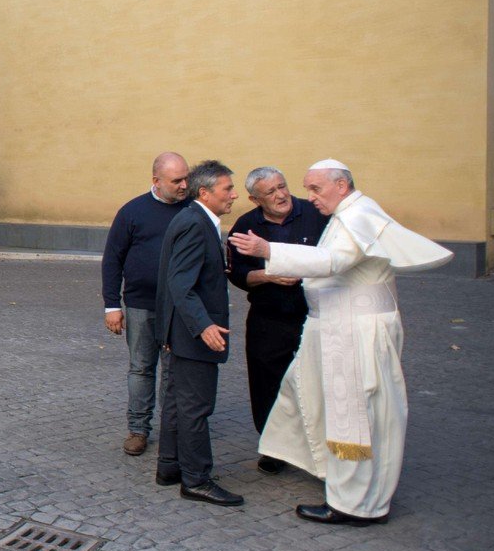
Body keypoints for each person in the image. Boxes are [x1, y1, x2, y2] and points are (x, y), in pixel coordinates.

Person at [231, 160, 451, 525]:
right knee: (306, 395)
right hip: (340, 328)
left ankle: (354, 504)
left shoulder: (357, 214)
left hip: (353, 333)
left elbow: (333, 261)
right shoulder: (347, 212)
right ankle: (342, 482)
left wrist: (270, 251)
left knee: (354, 416)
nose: (308, 197)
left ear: (342, 185)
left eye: (315, 189)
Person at [226, 167, 330, 472]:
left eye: (282, 186)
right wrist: (267, 275)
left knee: (315, 382)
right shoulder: (245, 226)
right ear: (255, 199)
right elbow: (237, 273)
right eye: (270, 192)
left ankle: (318, 448)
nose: (281, 195)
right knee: (266, 384)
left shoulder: (315, 214)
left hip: (313, 314)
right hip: (268, 317)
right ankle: (273, 447)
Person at [153, 160, 243, 506]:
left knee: (178, 403)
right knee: (196, 407)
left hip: (183, 333)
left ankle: (171, 466)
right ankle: (197, 479)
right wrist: (203, 325)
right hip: (192, 334)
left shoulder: (194, 219)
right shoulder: (194, 223)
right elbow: (180, 283)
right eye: (227, 189)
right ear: (204, 192)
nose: (234, 195)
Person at [101, 152, 190, 456]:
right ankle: (138, 429)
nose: (184, 185)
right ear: (156, 181)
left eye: (186, 178)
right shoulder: (133, 212)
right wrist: (111, 305)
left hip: (180, 307)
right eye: (176, 180)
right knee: (141, 368)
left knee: (173, 371)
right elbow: (113, 259)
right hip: (140, 305)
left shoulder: (192, 210)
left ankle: (172, 430)